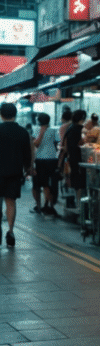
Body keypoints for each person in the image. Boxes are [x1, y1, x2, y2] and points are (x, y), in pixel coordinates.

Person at [0, 103, 33, 248]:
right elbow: (27, 155)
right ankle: (11, 231)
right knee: (11, 202)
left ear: (1, 115)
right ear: (15, 114)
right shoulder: (23, 132)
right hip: (14, 173)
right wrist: (29, 169)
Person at [57, 110, 87, 210]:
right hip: (78, 159)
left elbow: (65, 145)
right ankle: (80, 205)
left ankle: (77, 203)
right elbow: (81, 144)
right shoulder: (80, 130)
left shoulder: (70, 128)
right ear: (82, 119)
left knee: (75, 182)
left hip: (71, 158)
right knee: (79, 183)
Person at [31, 113, 61, 216]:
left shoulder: (37, 130)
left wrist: (41, 133)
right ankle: (48, 206)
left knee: (40, 184)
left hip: (41, 160)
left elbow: (36, 144)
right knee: (48, 184)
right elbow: (57, 143)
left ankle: (40, 206)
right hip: (52, 159)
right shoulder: (53, 130)